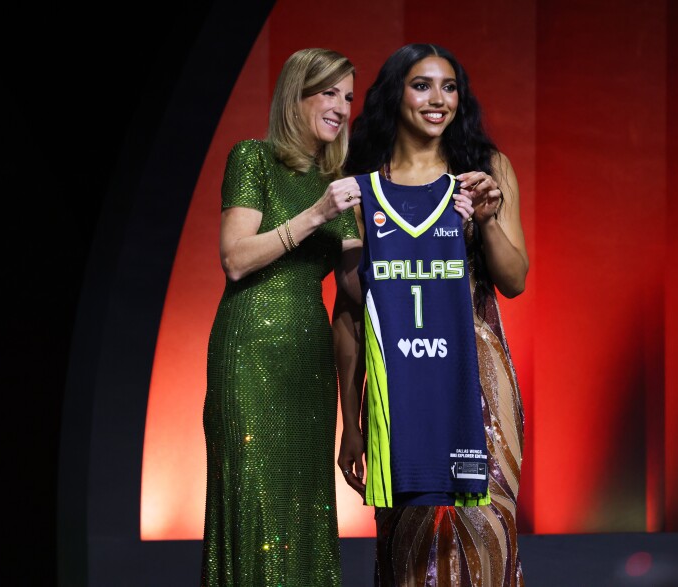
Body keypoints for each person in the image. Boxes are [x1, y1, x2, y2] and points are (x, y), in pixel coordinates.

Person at [337, 43, 528, 586]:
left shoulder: (486, 169)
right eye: (422, 85)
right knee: (409, 543)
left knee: (487, 532)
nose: (438, 99)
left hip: (477, 378)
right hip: (398, 377)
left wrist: (486, 219)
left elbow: (514, 280)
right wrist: (350, 423)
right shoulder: (360, 183)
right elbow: (350, 311)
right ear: (394, 94)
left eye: (449, 87)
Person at [201, 48, 362, 586]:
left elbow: (355, 288)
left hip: (309, 361)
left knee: (305, 507)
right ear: (296, 95)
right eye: (329, 92)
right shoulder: (253, 157)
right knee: (254, 502)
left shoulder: (338, 182)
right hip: (251, 354)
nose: (341, 107)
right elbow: (235, 259)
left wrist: (422, 229)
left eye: (348, 97)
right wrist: (317, 214)